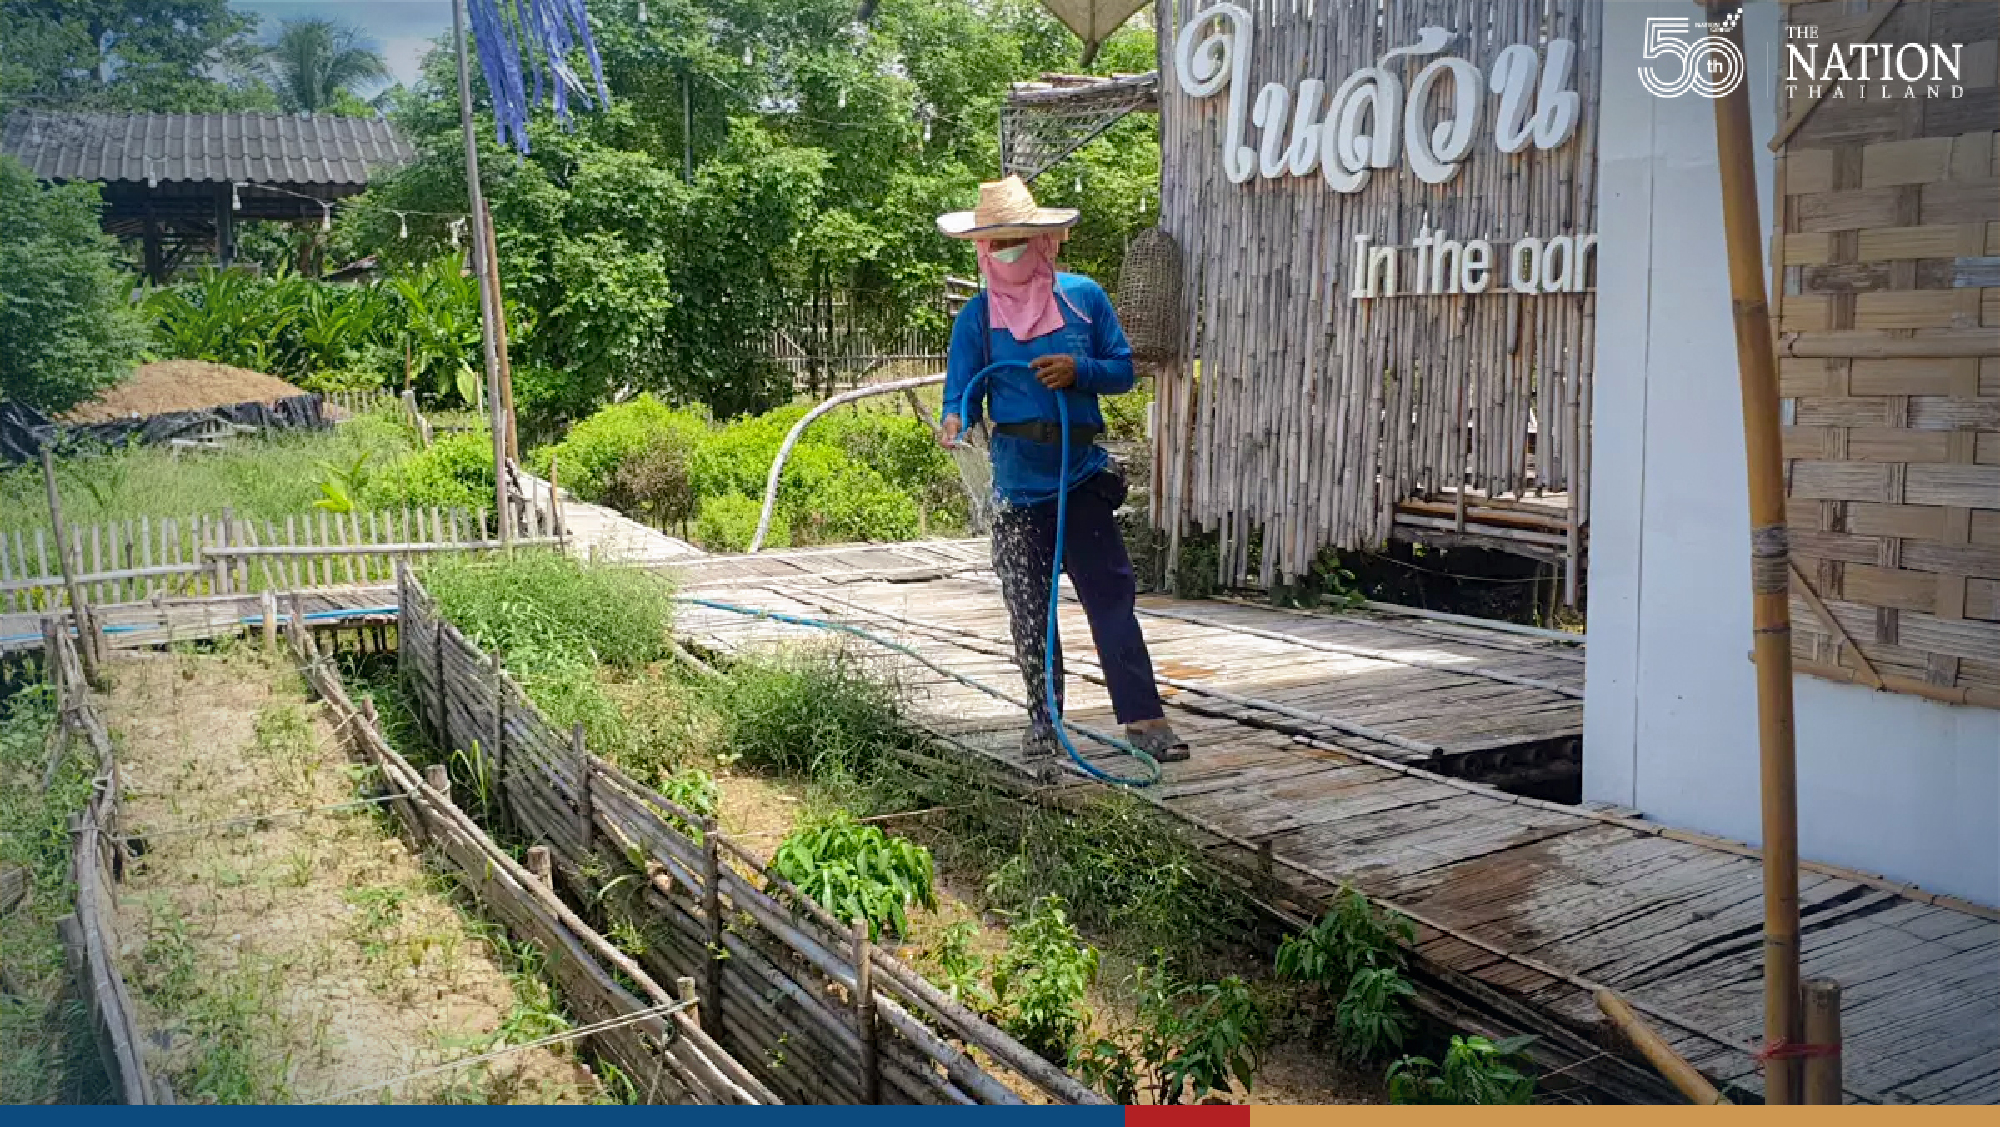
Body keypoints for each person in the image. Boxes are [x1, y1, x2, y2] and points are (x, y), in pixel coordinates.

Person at [935, 176, 1189, 779]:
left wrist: (1080, 370)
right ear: (982, 249)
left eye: (1018, 240)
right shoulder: (977, 318)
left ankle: (1145, 720)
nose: (1008, 253)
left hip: (1080, 478)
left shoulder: (1083, 299)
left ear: (1044, 240)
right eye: (997, 243)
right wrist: (954, 421)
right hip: (1017, 489)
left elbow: (1122, 370)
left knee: (1110, 600)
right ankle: (1044, 721)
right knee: (1030, 611)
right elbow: (959, 394)